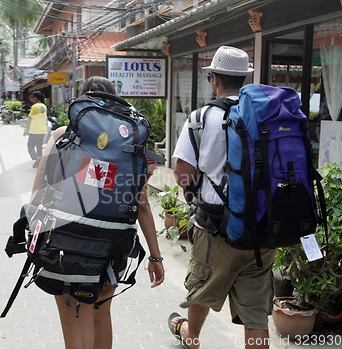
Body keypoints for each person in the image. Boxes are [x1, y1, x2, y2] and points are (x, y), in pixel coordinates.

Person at [31, 76, 165, 349]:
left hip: (66, 244)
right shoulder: (130, 146)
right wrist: (155, 256)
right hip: (113, 245)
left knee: (74, 317)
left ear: (81, 104)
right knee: (101, 313)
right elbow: (141, 204)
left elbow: (37, 191)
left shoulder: (61, 135)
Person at [169, 46, 274, 349]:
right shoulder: (267, 114)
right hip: (262, 230)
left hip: (216, 228)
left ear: (213, 78)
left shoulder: (201, 118)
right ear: (244, 78)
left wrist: (197, 192)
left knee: (203, 287)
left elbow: (182, 173)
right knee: (255, 315)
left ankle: (192, 335)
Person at [23, 90, 48, 168]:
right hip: (42, 130)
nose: (31, 99)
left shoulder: (34, 107)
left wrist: (26, 129)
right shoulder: (44, 106)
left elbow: (30, 119)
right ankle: (40, 163)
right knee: (39, 146)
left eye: (32, 97)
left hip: (34, 130)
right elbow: (46, 119)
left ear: (36, 98)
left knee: (30, 147)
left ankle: (37, 159)